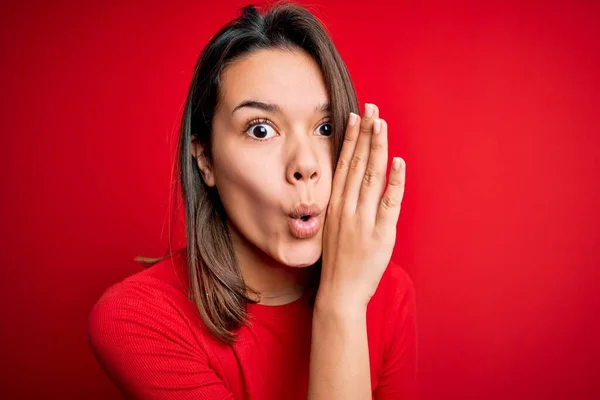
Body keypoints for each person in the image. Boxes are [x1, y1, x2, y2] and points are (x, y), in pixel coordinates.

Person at [88, 2, 416, 399]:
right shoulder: (138, 318)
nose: (305, 165)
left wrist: (345, 300)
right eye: (261, 130)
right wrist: (341, 307)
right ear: (205, 158)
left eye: (325, 127)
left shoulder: (389, 295)